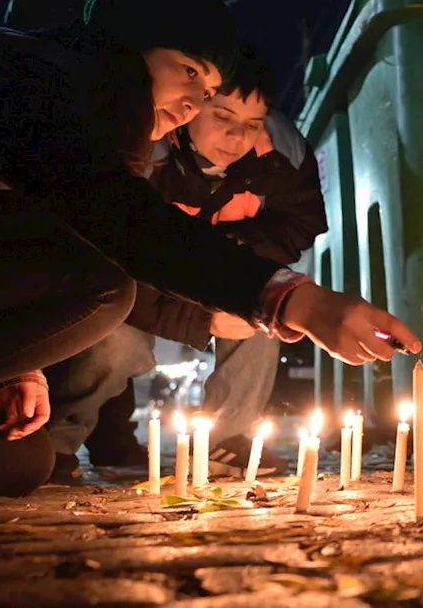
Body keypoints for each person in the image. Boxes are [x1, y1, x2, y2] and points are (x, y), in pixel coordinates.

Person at [0, 0, 421, 497]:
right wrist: (291, 300)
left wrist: (13, 369)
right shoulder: (32, 80)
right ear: (127, 46)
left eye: (207, 88)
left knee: (13, 466)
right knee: (104, 287)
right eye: (188, 71)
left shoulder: (95, 125)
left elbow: (35, 244)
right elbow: (128, 228)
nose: (192, 103)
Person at [47, 44, 327, 481]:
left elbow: (296, 226)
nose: (238, 138)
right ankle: (55, 443)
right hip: (132, 283)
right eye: (222, 118)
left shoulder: (281, 158)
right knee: (117, 342)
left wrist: (237, 259)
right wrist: (198, 320)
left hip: (207, 275)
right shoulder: (141, 151)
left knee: (265, 306)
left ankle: (225, 439)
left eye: (252, 124)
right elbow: (111, 259)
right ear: (191, 107)